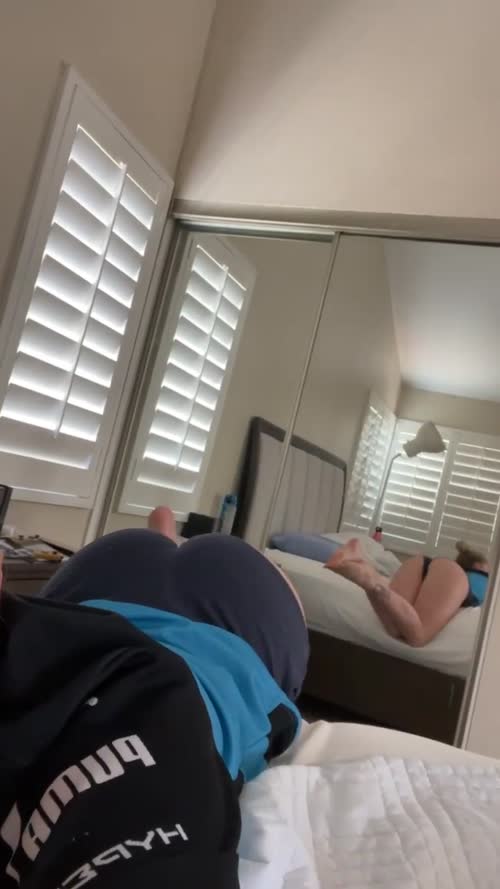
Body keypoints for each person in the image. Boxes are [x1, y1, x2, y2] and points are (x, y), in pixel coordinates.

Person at [0, 507, 308, 889]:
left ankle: (163, 536)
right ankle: (163, 535)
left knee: (258, 574)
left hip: (107, 600)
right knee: (241, 566)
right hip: (196, 624)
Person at [325, 538, 489, 647]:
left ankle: (366, 576)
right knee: (418, 637)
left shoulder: (451, 574)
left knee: (394, 629)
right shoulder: (477, 578)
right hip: (448, 574)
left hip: (418, 563)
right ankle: (371, 579)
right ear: (478, 567)